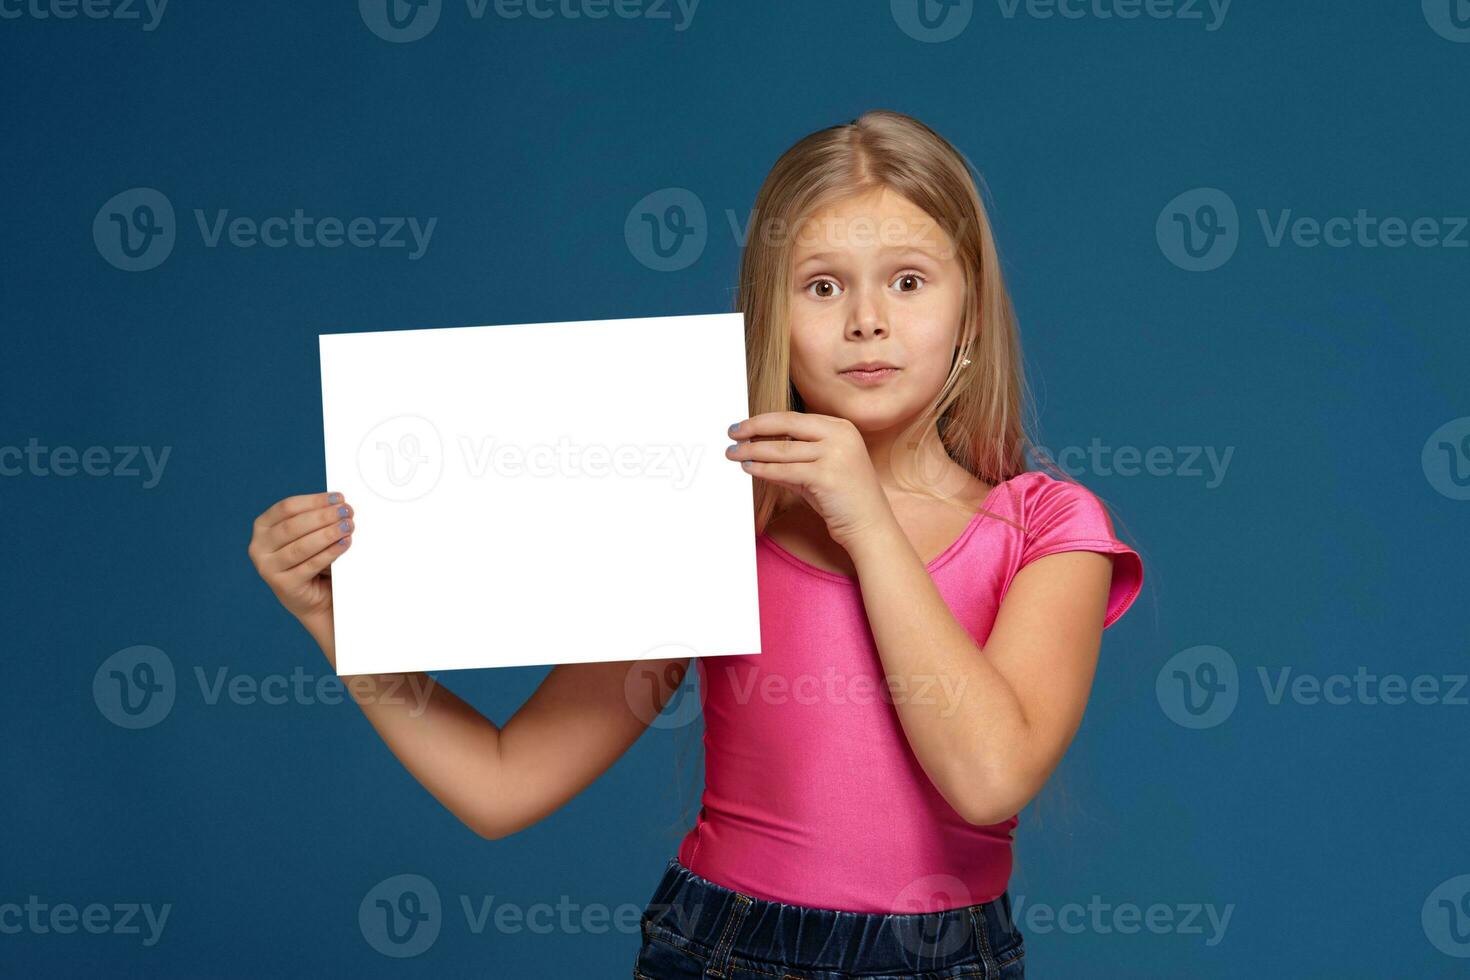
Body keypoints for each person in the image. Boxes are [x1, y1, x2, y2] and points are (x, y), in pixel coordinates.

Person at [247, 109, 1144, 979]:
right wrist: (342, 626)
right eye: (822, 285)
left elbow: (987, 780)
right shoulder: (716, 519)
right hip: (719, 950)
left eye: (908, 280)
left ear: (972, 311)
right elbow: (503, 784)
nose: (866, 319)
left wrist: (866, 520)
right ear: (772, 316)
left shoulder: (1047, 528)